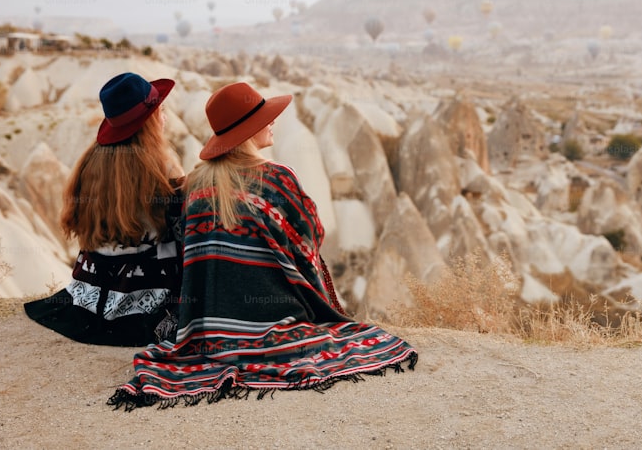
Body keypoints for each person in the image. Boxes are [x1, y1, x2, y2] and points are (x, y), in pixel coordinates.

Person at [109, 82, 417, 410]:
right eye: (264, 118)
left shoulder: (196, 183)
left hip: (208, 326)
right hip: (277, 315)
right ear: (246, 130)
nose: (272, 122)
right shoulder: (278, 179)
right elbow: (307, 243)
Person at [24, 72, 184, 347]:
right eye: (161, 110)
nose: (165, 116)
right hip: (144, 300)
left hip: (90, 293)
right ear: (152, 119)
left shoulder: (91, 160)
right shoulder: (162, 168)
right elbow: (183, 232)